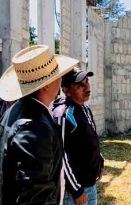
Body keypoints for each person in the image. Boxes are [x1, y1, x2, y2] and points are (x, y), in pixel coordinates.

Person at [0, 45, 78, 204]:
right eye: (57, 75)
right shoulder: (35, 128)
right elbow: (35, 196)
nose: (60, 79)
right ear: (46, 84)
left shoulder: (15, 110)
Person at [52, 68, 104, 205]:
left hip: (89, 185)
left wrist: (99, 162)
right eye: (80, 85)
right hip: (74, 192)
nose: (86, 87)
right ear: (66, 90)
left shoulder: (84, 108)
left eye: (87, 81)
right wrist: (76, 190)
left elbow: (92, 138)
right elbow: (60, 156)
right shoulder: (63, 114)